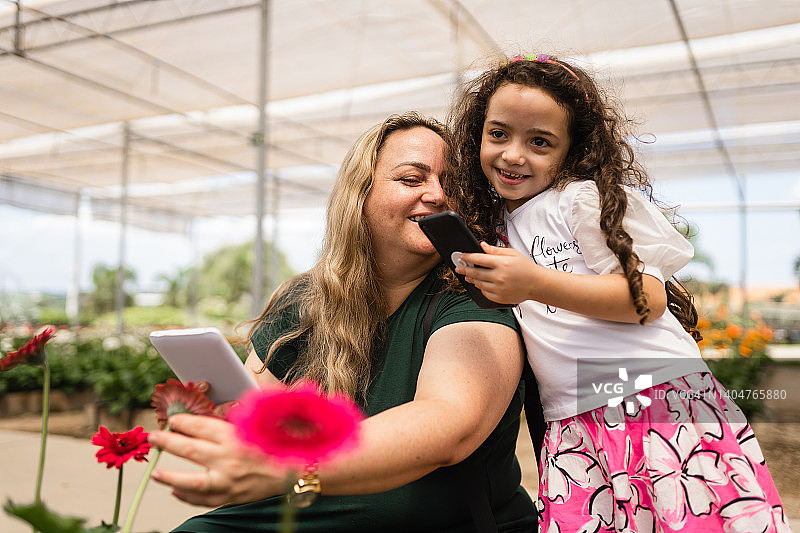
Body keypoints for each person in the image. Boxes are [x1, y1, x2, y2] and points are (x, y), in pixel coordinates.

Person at [445, 53, 790, 532]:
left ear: (572, 150)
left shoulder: (581, 200)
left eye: (540, 141)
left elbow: (647, 299)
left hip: (651, 395)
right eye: (499, 133)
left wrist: (534, 282)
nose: (513, 154)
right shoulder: (499, 224)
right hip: (575, 417)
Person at [147, 111, 538, 532]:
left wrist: (295, 466)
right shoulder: (304, 301)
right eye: (411, 179)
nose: (437, 195)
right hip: (316, 509)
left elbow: (448, 424)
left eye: (452, 184)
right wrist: (230, 427)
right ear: (359, 194)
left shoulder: (475, 295)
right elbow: (260, 414)